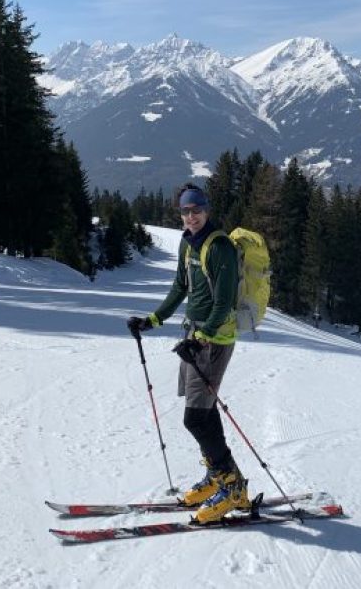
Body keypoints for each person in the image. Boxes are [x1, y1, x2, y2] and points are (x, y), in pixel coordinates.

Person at [127, 183, 249, 524]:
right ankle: (220, 479)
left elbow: (223, 302)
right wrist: (152, 320)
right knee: (204, 413)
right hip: (194, 335)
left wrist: (203, 337)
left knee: (195, 418)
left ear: (207, 210)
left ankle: (232, 486)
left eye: (196, 210)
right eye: (185, 211)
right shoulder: (187, 242)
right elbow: (180, 288)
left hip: (215, 338)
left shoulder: (219, 247)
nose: (191, 216)